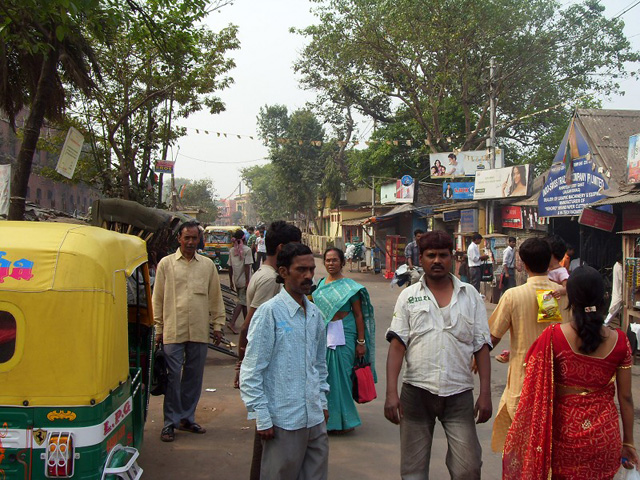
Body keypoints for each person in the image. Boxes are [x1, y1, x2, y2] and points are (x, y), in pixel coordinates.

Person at [502, 266, 638, 479]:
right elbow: (626, 398)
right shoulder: (621, 341)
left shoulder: (554, 336)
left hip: (563, 436)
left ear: (570, 298)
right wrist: (628, 442)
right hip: (604, 437)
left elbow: (533, 380)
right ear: (604, 297)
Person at [385, 230, 492, 479]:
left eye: (443, 255)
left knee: (468, 468)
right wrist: (391, 393)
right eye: (430, 255)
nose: (437, 260)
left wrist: (485, 394)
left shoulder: (471, 297)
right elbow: (397, 346)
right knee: (413, 471)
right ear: (420, 258)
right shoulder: (408, 297)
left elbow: (482, 347)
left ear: (452, 257)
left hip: (459, 393)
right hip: (416, 392)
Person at [240, 243, 330, 480]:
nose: (309, 275)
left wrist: (322, 401)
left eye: (311, 269)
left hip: (314, 418)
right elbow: (251, 371)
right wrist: (261, 416)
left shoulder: (315, 315)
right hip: (282, 422)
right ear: (283, 272)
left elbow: (319, 365)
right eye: (301, 269)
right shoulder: (269, 313)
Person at [236, 220, 302, 480]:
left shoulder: (266, 275)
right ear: (284, 248)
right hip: (270, 374)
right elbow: (250, 326)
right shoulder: (270, 280)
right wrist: (242, 364)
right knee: (268, 445)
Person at [488, 237, 567, 453]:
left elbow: (491, 338)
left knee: (524, 449)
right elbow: (553, 331)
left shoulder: (513, 295)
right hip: (558, 382)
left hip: (523, 382)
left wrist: (475, 359)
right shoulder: (561, 294)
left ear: (522, 263)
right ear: (550, 260)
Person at [152, 221, 226, 443]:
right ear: (179, 239)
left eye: (195, 238)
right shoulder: (166, 264)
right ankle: (169, 423)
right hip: (173, 330)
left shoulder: (207, 265)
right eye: (187, 238)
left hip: (199, 330)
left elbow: (215, 297)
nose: (191, 242)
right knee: (173, 378)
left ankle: (187, 418)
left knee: (193, 377)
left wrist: (218, 325)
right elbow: (158, 298)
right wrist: (158, 328)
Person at [312, 247, 376, 433]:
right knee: (326, 377)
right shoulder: (320, 286)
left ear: (342, 262)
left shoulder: (350, 287)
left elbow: (358, 316)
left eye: (334, 260)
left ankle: (346, 421)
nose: (331, 263)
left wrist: (361, 342)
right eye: (328, 260)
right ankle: (328, 419)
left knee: (345, 377)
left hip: (346, 334)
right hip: (324, 336)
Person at [227, 228, 253, 334]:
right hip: (244, 280)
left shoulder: (232, 250)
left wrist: (231, 281)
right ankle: (232, 323)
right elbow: (247, 266)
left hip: (237, 280)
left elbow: (230, 267)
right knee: (242, 302)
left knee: (243, 302)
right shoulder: (247, 250)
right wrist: (247, 281)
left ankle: (247, 324)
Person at [606, 252, 623, 326]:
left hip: (617, 290)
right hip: (618, 291)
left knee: (616, 309)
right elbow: (622, 279)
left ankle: (606, 323)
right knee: (614, 309)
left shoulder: (616, 265)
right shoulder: (619, 268)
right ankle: (605, 323)